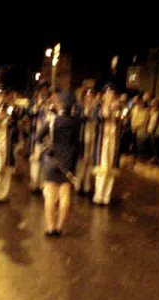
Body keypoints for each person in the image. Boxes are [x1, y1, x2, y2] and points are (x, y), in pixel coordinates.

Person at [35, 91, 81, 236]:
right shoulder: (76, 122)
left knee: (50, 195)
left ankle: (50, 227)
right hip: (68, 163)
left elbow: (38, 137)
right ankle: (60, 228)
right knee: (65, 195)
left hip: (53, 161)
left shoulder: (52, 120)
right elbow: (77, 142)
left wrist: (46, 148)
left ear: (60, 104)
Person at [92, 85, 123, 205]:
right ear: (104, 95)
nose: (111, 96)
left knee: (111, 170)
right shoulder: (99, 107)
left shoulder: (118, 107)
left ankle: (106, 196)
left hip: (114, 141)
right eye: (109, 94)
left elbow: (122, 121)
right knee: (102, 169)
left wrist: (120, 115)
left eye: (112, 94)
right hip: (102, 142)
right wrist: (109, 107)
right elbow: (100, 117)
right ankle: (98, 195)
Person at [28, 81, 51, 192]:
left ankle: (42, 184)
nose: (44, 91)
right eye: (42, 89)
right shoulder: (34, 101)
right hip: (36, 136)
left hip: (46, 137)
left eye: (45, 89)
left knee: (44, 160)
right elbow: (30, 113)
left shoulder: (50, 102)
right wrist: (37, 105)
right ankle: (34, 183)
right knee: (35, 161)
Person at [75, 89, 97, 194]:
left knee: (90, 161)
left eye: (92, 96)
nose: (90, 98)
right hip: (82, 138)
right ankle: (78, 183)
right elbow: (79, 119)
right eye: (88, 96)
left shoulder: (96, 108)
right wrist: (86, 114)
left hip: (93, 138)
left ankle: (87, 184)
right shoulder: (80, 107)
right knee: (81, 161)